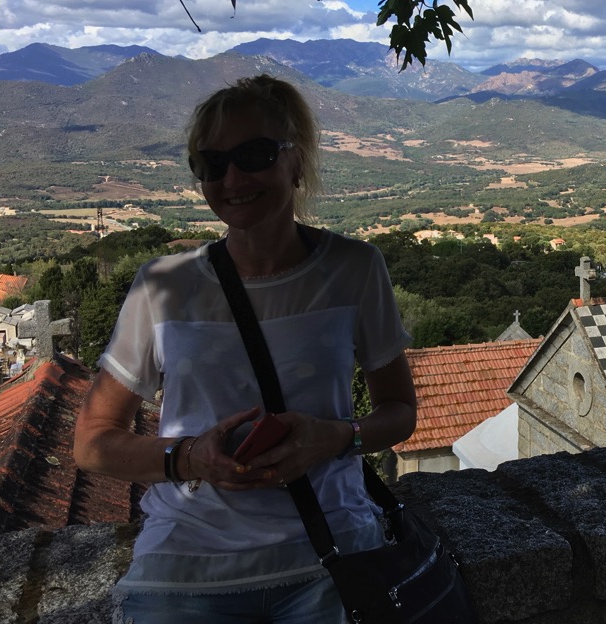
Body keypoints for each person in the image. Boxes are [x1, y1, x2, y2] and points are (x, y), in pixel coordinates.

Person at [74, 74, 416, 623]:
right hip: (186, 564)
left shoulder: (354, 269)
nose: (232, 178)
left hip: (330, 555)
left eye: (253, 155)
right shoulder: (163, 286)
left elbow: (400, 414)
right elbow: (92, 444)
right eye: (212, 164)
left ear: (296, 161)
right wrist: (190, 458)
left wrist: (335, 437)